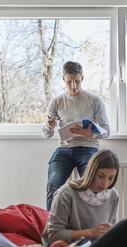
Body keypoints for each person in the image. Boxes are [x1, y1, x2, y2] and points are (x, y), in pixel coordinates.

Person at [43, 61, 110, 211]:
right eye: (69, 82)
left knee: (91, 187)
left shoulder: (94, 101)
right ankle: (51, 229)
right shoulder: (57, 102)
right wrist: (49, 126)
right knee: (53, 185)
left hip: (87, 149)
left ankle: (90, 229)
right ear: (63, 79)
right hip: (64, 150)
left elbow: (106, 130)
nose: (73, 85)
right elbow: (46, 135)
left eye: (77, 81)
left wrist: (91, 133)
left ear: (82, 78)